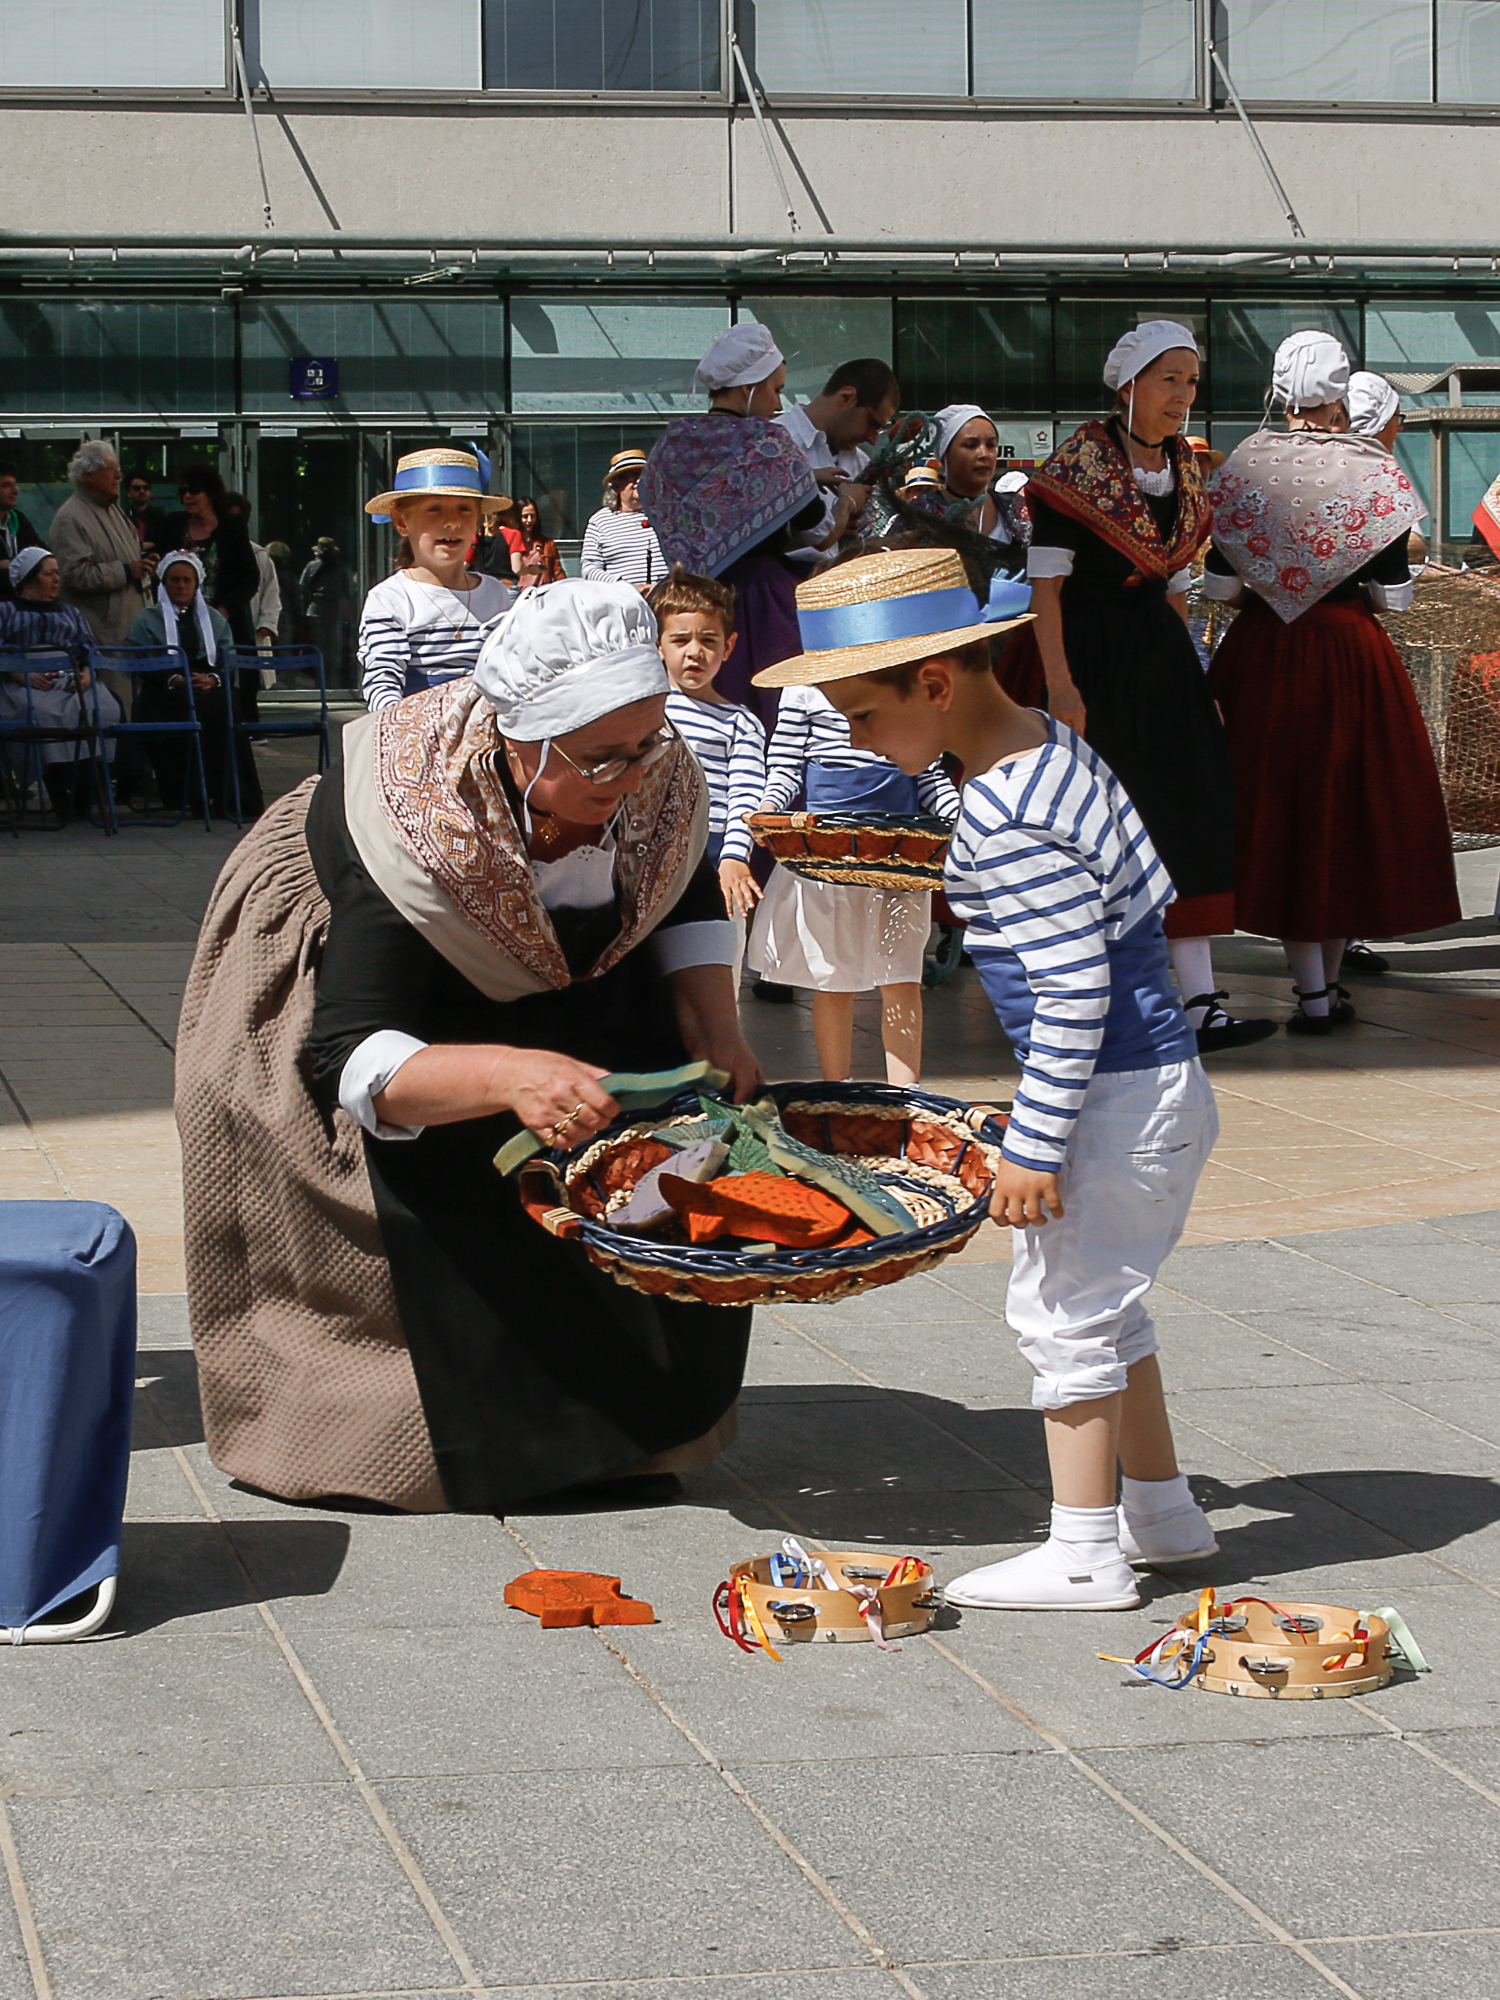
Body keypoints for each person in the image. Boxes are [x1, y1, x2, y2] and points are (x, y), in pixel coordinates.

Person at [174, 578, 760, 1514]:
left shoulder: (650, 765)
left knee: (656, 1151)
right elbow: (349, 1054)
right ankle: (436, 1439)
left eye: (651, 741)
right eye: (605, 758)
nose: (638, 773)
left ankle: (634, 1428)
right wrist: (504, 1071)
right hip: (378, 988)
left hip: (566, 960)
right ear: (519, 741)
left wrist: (714, 1026)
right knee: (444, 1191)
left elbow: (678, 884)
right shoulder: (412, 825)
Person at [754, 545, 1218, 1611]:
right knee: (1109, 1306)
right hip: (1151, 1087)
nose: (856, 740)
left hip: (1112, 1094)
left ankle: (1086, 1550)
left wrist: (1035, 1144)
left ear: (933, 681)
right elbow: (1140, 902)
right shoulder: (1053, 751)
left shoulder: (1004, 810)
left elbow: (1072, 994)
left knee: (1061, 1313)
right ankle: (1161, 1509)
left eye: (862, 718)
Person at [1002, 321, 1274, 1056]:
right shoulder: (1071, 474)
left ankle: (1199, 1001)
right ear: (1127, 385)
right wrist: (1060, 686)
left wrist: (1190, 673)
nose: (1183, 397)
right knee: (1094, 824)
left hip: (1156, 660)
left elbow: (1178, 584)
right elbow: (1047, 592)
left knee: (1183, 812)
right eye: (1168, 380)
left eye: (1190, 381)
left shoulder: (1184, 471)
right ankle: (1081, 999)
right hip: (1088, 657)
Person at [1203, 333, 1458, 1029]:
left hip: (1263, 657)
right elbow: (1394, 599)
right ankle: (1323, 990)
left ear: (1279, 391)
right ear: (1342, 394)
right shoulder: (1373, 472)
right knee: (1343, 815)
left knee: (1280, 812)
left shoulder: (1245, 468)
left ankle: (1316, 989)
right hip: (1349, 656)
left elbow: (1220, 587)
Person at [746, 554, 990, 1087]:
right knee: (831, 982)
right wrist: (769, 808)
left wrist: (960, 824)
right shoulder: (803, 690)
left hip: (900, 859)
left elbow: (929, 778)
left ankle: (907, 1094)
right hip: (825, 858)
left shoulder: (901, 692)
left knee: (900, 976)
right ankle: (836, 1090)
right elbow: (785, 763)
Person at [650, 565, 767, 985]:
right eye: (680, 640)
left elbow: (747, 794)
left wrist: (735, 856)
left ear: (729, 646)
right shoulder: (643, 711)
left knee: (716, 974)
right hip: (648, 854)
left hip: (715, 858)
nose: (694, 652)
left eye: (708, 640)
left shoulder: (741, 723)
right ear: (658, 644)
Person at [358, 449, 513, 714]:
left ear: (478, 520)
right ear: (401, 522)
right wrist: (400, 730)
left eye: (464, 509)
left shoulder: (495, 594)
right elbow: (383, 680)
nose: (451, 522)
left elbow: (509, 669)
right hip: (417, 733)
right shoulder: (390, 598)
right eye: (434, 510)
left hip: (487, 734)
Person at [125, 550, 259, 818]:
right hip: (163, 688)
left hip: (206, 684)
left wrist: (212, 679)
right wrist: (175, 679)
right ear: (163, 584)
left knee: (227, 703)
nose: (181, 586)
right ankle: (192, 795)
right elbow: (137, 659)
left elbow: (226, 660)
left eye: (187, 580)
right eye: (174, 580)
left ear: (197, 584)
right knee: (197, 706)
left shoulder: (214, 619)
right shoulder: (146, 619)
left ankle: (231, 797)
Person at [0, 547, 121, 820]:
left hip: (71, 681)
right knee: (42, 714)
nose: (57, 579)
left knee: (103, 707)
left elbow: (90, 649)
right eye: (49, 574)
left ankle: (85, 793)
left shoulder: (71, 612)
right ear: (30, 580)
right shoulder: (5, 611)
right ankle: (58, 789)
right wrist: (18, 674)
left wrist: (88, 674)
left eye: (57, 573)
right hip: (25, 684)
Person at [773, 357, 900, 556]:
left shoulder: (860, 461)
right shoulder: (774, 442)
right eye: (872, 424)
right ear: (846, 397)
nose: (873, 440)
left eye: (880, 430)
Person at [930, 406, 1026, 571]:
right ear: (946, 454)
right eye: (970, 445)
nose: (984, 454)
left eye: (991, 445)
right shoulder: (921, 512)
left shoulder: (1018, 509)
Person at [580, 450, 665, 592]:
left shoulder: (666, 515)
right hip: (621, 601)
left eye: (643, 476)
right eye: (631, 477)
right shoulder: (600, 521)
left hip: (666, 601)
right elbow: (590, 568)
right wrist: (626, 587)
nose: (638, 481)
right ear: (616, 486)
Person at [301, 537, 356, 685]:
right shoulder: (342, 568)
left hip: (316, 611)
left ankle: (321, 681)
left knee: (319, 649)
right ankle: (333, 682)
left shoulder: (311, 567)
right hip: (335, 612)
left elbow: (303, 588)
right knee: (334, 649)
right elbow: (350, 591)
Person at [0, 461, 46, 603]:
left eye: (15, 484)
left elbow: (44, 559)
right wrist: (26, 565)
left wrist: (10, 565)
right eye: (7, 485)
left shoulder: (18, 519)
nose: (15, 491)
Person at [515, 496, 566, 588]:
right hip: (518, 595)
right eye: (525, 516)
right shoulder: (510, 543)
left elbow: (558, 573)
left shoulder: (548, 544)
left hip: (541, 594)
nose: (529, 520)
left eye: (533, 516)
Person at [124, 471, 170, 558]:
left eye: (146, 488)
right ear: (128, 491)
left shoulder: (161, 518)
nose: (142, 491)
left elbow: (165, 544)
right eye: (136, 488)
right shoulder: (123, 517)